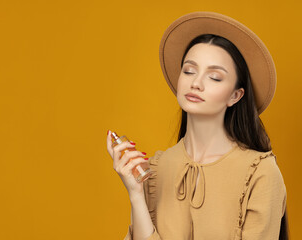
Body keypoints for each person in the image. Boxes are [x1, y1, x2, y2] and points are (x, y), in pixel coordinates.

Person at [106, 11, 288, 240]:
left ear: (235, 95)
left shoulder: (260, 172)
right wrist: (135, 194)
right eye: (189, 70)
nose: (196, 83)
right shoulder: (155, 170)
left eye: (215, 77)